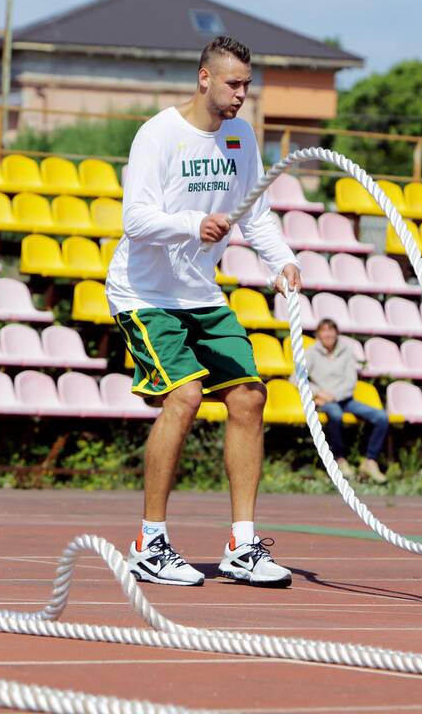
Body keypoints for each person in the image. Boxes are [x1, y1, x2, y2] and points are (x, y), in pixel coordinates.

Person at [106, 36, 301, 588]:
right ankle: (150, 541)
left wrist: (282, 261)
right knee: (185, 394)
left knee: (250, 395)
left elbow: (253, 212)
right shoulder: (159, 134)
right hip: (145, 294)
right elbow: (136, 219)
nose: (242, 95)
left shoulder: (241, 137)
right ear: (204, 79)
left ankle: (242, 547)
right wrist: (192, 224)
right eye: (233, 84)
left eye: (247, 85)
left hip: (201, 295)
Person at [305, 318, 389, 483]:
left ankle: (370, 460)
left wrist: (334, 395)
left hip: (345, 399)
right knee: (335, 415)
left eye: (330, 330)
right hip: (324, 401)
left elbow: (351, 381)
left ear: (336, 333)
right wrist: (317, 393)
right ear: (318, 334)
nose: (327, 334)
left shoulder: (346, 351)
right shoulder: (310, 352)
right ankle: (339, 458)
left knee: (381, 417)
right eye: (324, 330)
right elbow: (296, 378)